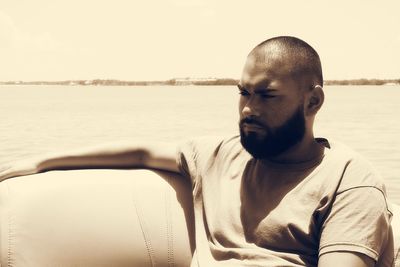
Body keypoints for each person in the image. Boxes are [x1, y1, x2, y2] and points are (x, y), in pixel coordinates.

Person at [0, 36, 393, 267]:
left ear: (313, 102)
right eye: (243, 92)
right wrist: (41, 161)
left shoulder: (350, 181)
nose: (248, 109)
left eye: (266, 95)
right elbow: (140, 152)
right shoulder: (220, 155)